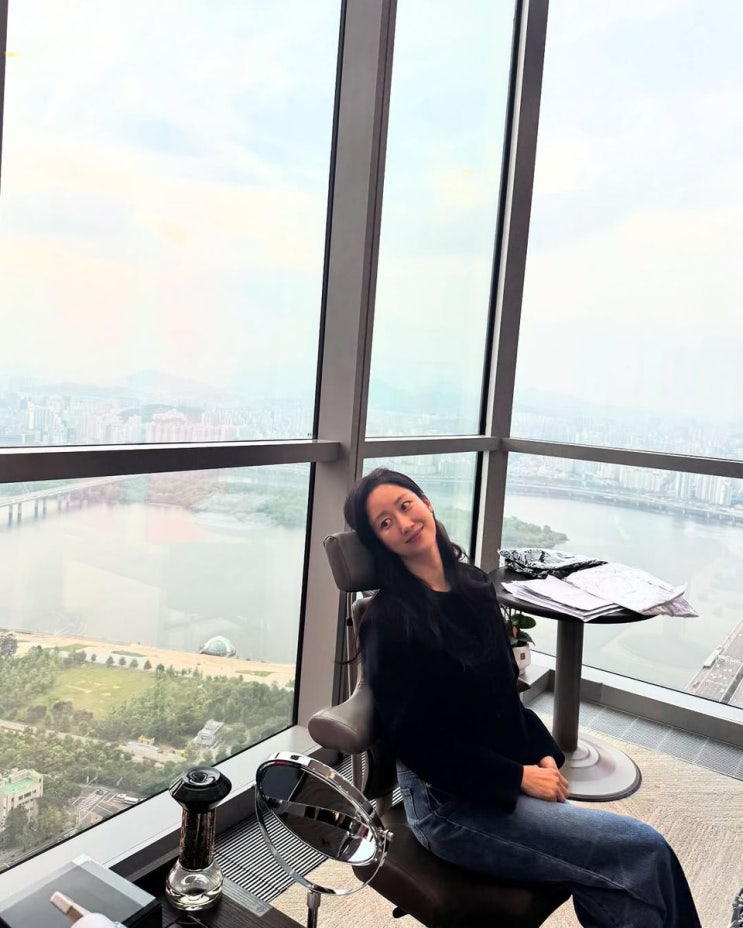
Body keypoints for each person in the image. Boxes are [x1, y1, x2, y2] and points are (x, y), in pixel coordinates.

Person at [343, 467, 702, 928]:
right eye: (385, 523)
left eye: (405, 505)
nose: (404, 522)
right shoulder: (390, 622)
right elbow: (421, 746)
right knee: (642, 849)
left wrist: (541, 754)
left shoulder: (472, 585)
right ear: (380, 543)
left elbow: (503, 692)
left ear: (426, 503)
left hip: (494, 770)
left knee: (616, 876)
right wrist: (519, 777)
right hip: (447, 805)